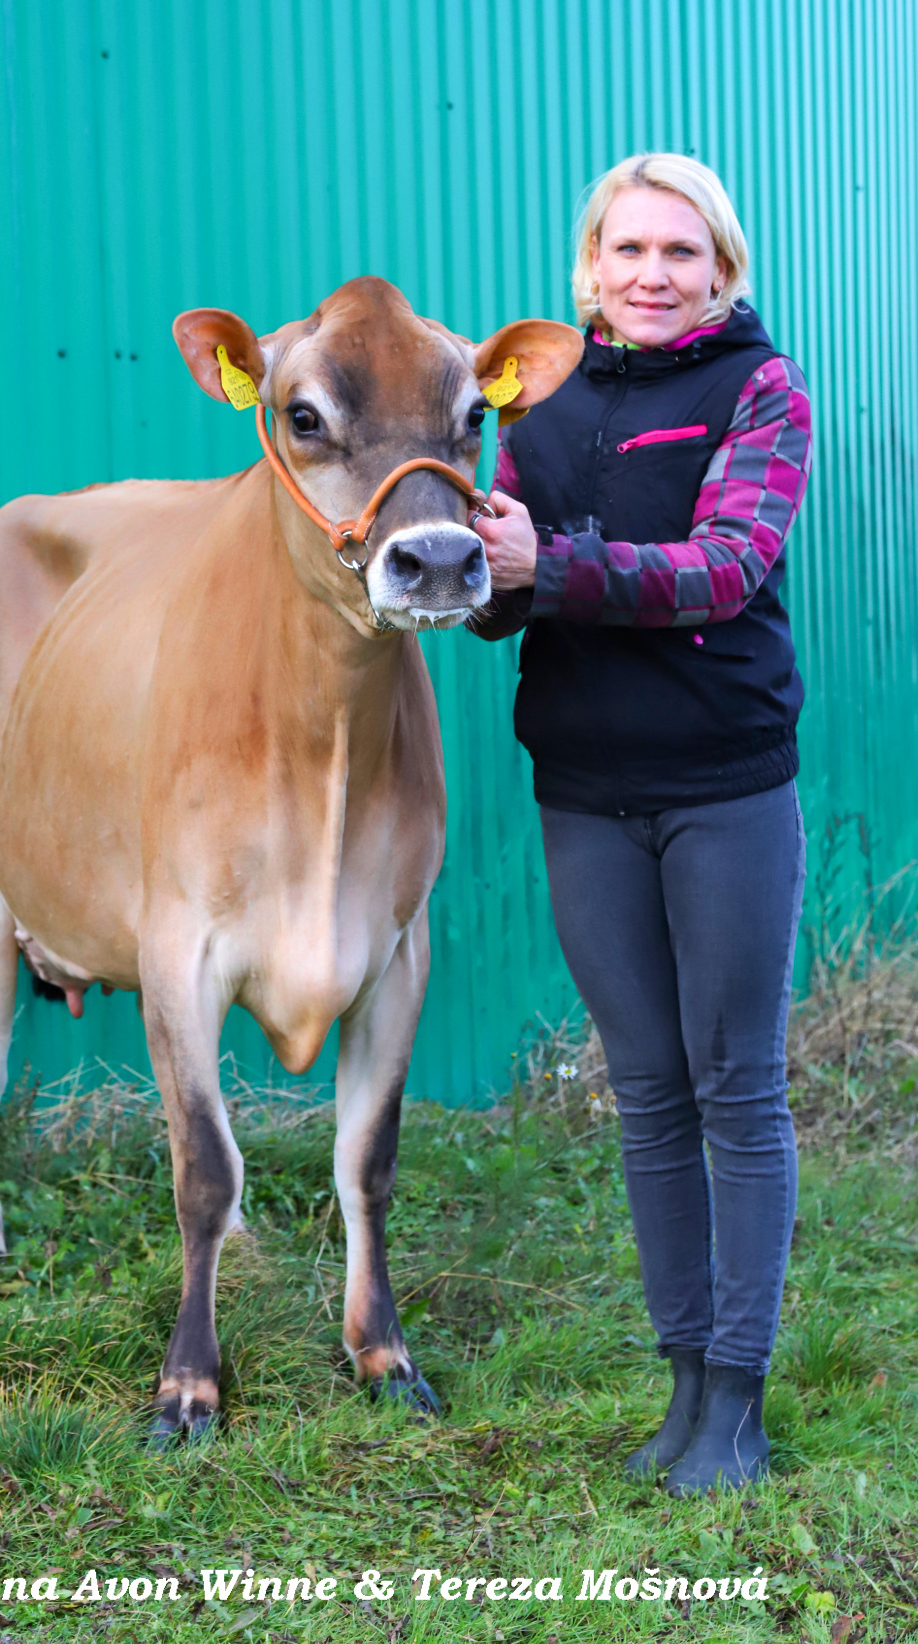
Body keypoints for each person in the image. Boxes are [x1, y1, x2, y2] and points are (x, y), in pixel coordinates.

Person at [471, 153, 812, 1496]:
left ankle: (739, 1398)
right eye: (629, 251)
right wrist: (470, 569)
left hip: (726, 786)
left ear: (722, 269)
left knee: (738, 1089)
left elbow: (726, 569)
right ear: (590, 270)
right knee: (650, 1094)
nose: (653, 275)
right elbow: (507, 593)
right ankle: (682, 1385)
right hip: (584, 793)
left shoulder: (760, 390)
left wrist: (544, 566)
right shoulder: (538, 407)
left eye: (681, 252)